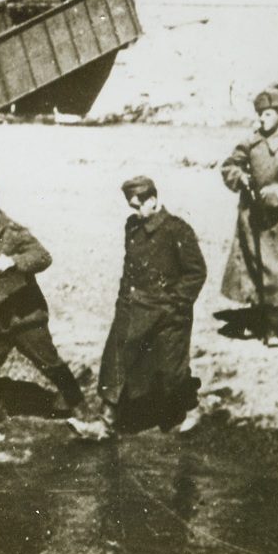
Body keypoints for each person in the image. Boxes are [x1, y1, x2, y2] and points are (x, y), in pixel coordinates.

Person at [0, 186, 88, 423]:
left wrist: (14, 262)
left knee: (50, 364)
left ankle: (80, 408)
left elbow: (42, 256)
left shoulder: (15, 233)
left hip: (25, 317)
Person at [97, 177, 207, 435]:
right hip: (133, 306)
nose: (135, 213)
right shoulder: (132, 227)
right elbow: (129, 268)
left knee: (170, 371)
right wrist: (124, 299)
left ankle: (192, 410)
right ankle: (106, 420)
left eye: (138, 206)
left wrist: (175, 304)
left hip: (168, 311)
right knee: (115, 359)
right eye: (131, 207)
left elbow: (196, 272)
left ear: (153, 200)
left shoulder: (177, 230)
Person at [219, 87, 278, 347]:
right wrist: (240, 177)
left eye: (268, 113)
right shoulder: (251, 141)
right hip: (251, 218)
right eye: (259, 114)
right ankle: (254, 319)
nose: (262, 119)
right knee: (251, 266)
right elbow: (229, 165)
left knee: (277, 271)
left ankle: (272, 327)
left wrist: (269, 194)